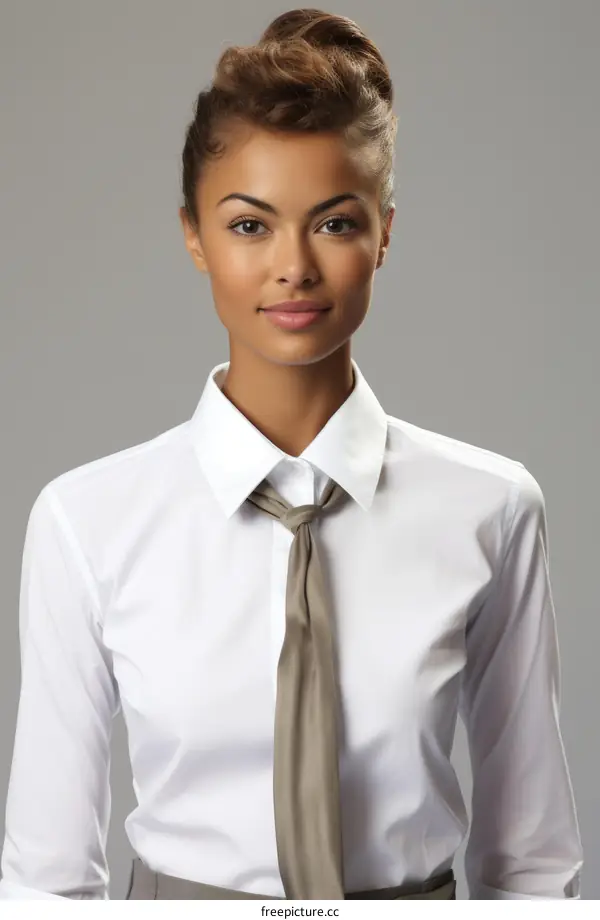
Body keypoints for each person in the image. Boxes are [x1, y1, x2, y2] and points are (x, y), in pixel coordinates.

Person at [0, 7, 583, 901]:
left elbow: (534, 865)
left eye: (335, 224)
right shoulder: (88, 522)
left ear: (384, 233)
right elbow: (43, 881)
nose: (294, 268)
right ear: (193, 233)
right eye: (248, 225)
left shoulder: (492, 512)